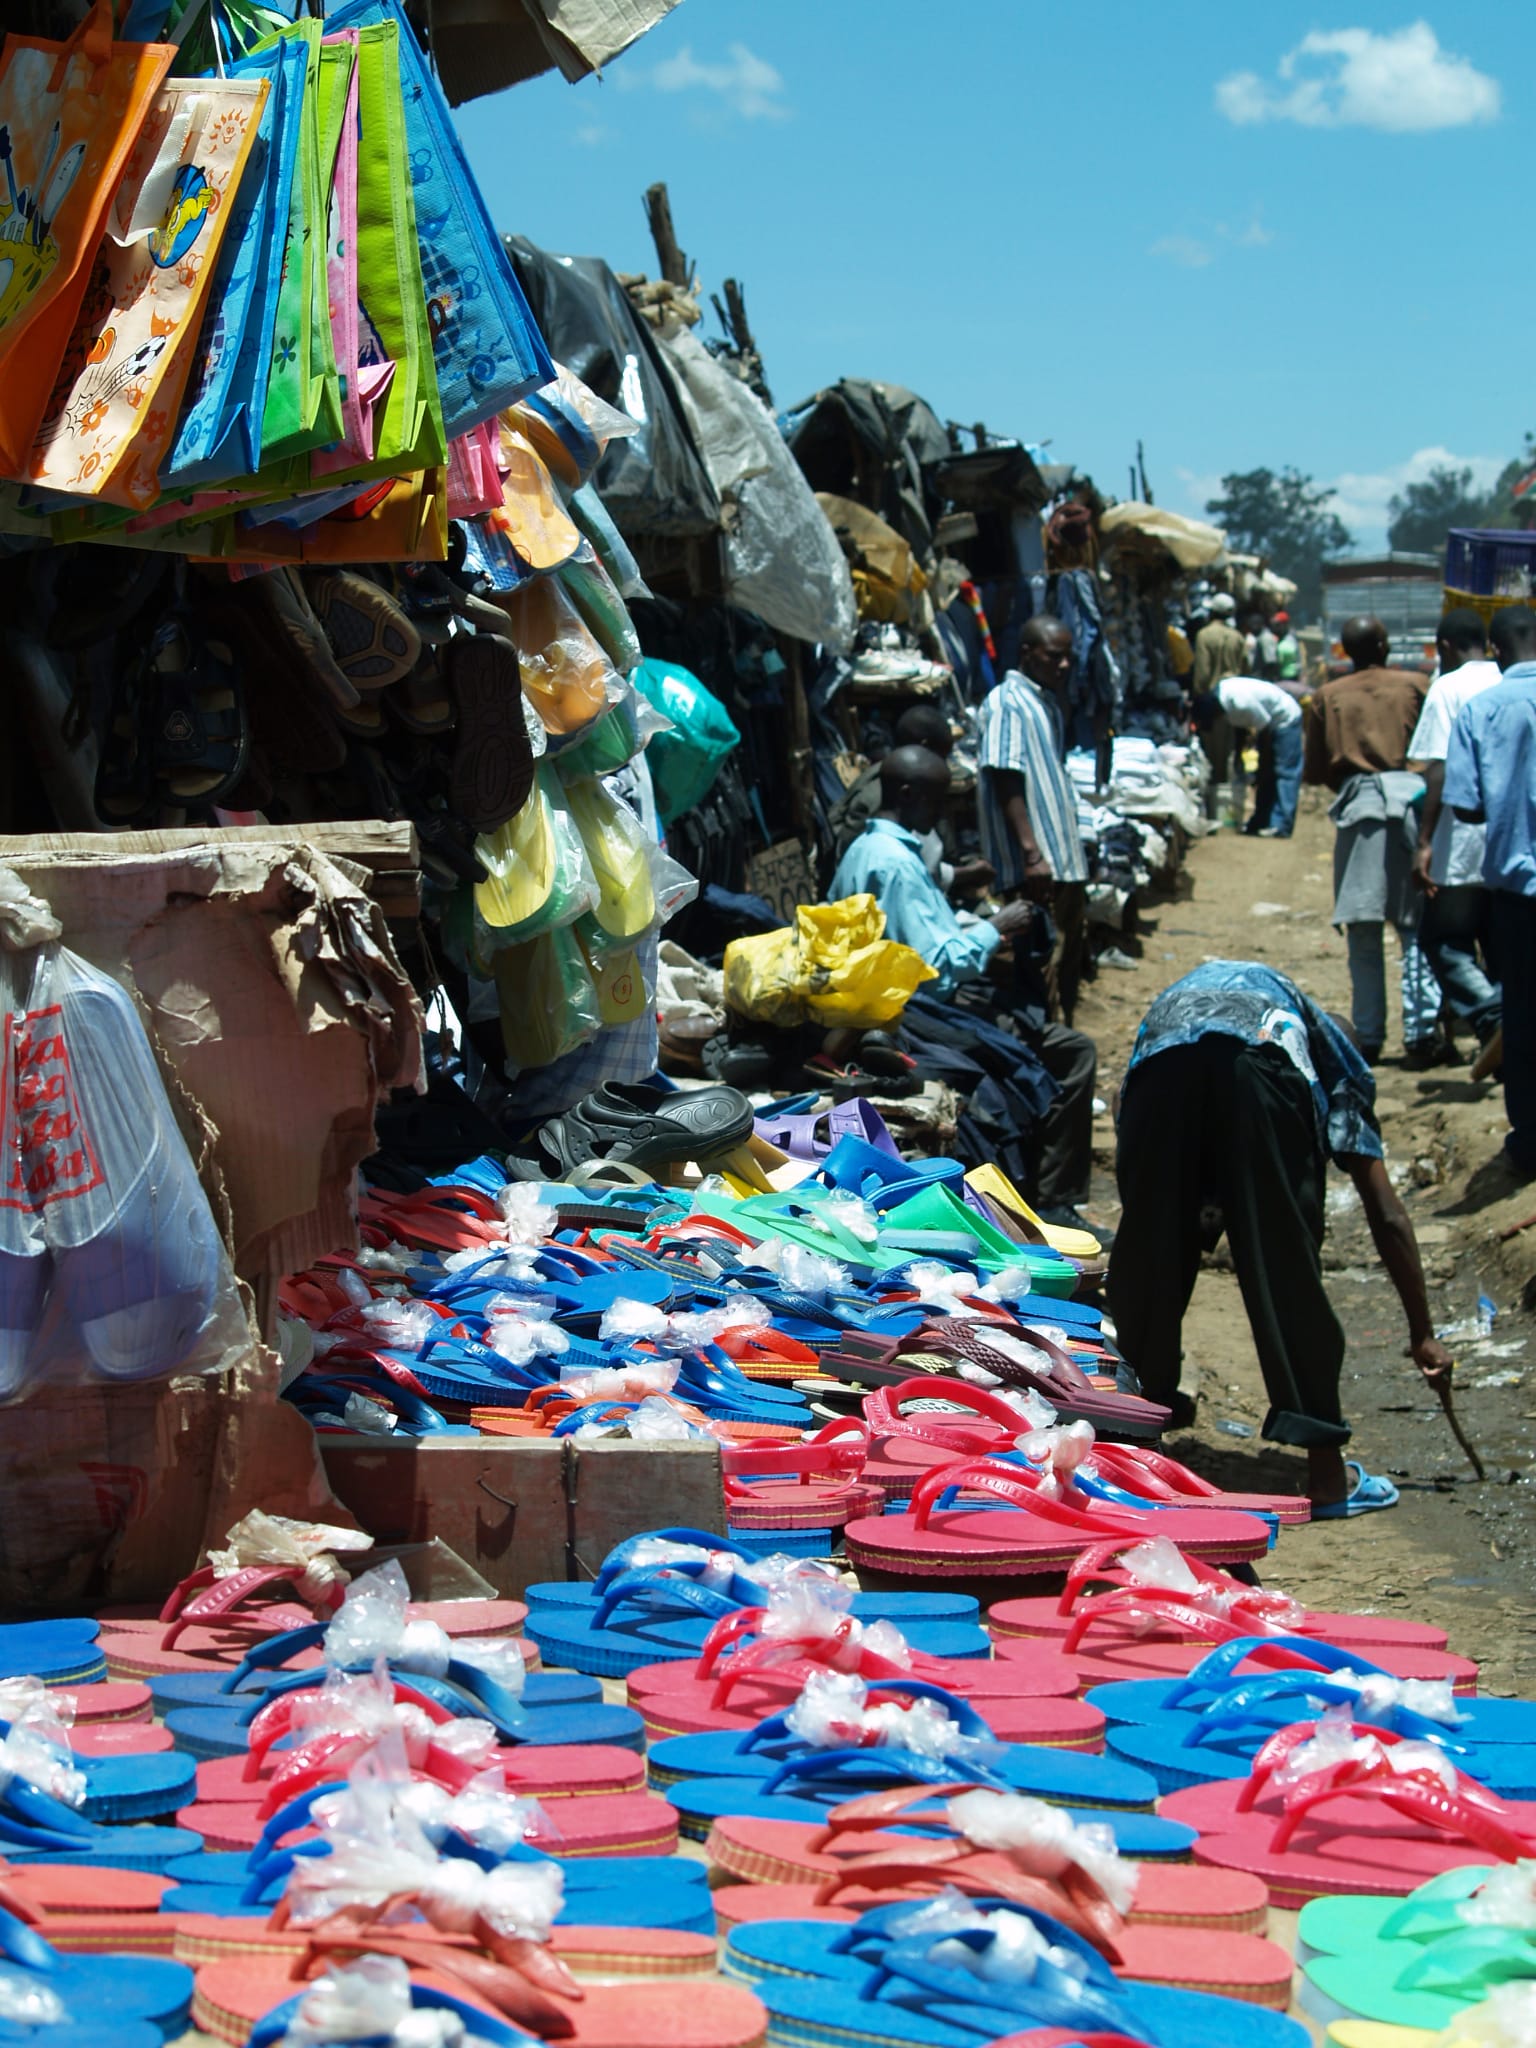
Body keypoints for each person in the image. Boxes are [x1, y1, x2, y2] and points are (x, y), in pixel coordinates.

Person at [1106, 961, 1454, 1513]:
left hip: (1157, 1076)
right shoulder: (1333, 1064)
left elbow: (1135, 1119)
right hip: (1259, 1077)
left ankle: (1126, 1456)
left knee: (1147, 1262)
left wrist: (1175, 1214)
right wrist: (1423, 1333)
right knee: (1284, 1265)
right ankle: (1327, 1479)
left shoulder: (1207, 994)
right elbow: (1384, 1211)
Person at [832, 744, 1102, 1231]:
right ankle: (1053, 1204)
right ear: (910, 793)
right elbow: (933, 964)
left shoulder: (867, 848)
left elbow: (918, 932)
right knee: (1067, 1054)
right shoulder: (896, 863)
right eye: (937, 800)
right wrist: (994, 927)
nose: (942, 814)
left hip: (893, 1005)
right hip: (918, 1014)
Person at [1303, 614, 1437, 1063]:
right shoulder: (1417, 685)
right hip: (1412, 807)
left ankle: (1369, 1034)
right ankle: (1421, 1030)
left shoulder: (1327, 695)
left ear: (1344, 649)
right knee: (1414, 926)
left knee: (1362, 927)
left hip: (1359, 809)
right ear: (1383, 645)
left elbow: (1317, 768)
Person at [1445, 604, 1536, 1185]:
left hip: (1520, 897)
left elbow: (1468, 805)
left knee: (1524, 1024)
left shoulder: (1482, 707)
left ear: (1495, 651)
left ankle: (1529, 1146)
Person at [976, 616, 1090, 1023]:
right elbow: (1005, 775)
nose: (1063, 666)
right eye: (1054, 657)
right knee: (1044, 970)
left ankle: (1066, 1042)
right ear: (1027, 653)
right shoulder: (1007, 702)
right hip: (1038, 867)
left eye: (1067, 659)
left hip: (1061, 861)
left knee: (1065, 961)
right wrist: (1031, 853)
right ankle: (1052, 1061)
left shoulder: (1043, 703)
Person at [1407, 608, 1502, 1060]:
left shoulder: (1448, 687)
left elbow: (1438, 770)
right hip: (1515, 844)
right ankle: (1511, 1033)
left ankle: (1490, 1017)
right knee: (1503, 944)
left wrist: (1423, 843)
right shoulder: (1516, 679)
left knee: (1442, 940)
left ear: (1444, 647)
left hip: (1462, 840)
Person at [1194, 676, 1304, 837]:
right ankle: (1261, 821)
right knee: (1265, 775)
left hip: (1285, 719)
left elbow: (1264, 726)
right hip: (1269, 724)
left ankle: (1281, 825)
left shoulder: (1238, 702)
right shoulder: (1223, 699)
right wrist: (1241, 759)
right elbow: (1242, 730)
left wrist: (1264, 758)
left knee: (1284, 772)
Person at [1190, 593, 1248, 819]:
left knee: (1210, 752)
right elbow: (1245, 666)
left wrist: (1198, 696)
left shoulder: (1205, 635)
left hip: (1212, 700)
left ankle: (1212, 809)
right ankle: (1224, 805)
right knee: (1228, 751)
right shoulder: (1237, 637)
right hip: (1234, 699)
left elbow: (1202, 673)